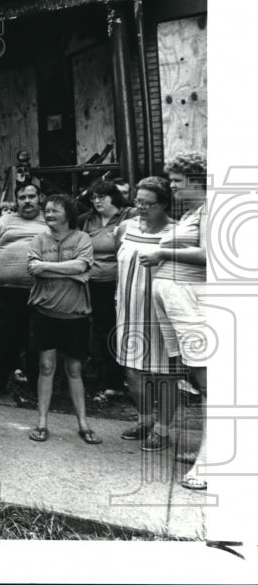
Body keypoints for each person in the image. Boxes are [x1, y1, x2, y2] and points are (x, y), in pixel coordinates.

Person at [140, 152, 209, 490]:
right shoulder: (192, 214)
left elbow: (211, 255)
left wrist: (163, 254)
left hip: (193, 304)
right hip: (175, 303)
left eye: (179, 182)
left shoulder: (213, 210)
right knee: (196, 376)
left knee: (209, 381)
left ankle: (211, 460)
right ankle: (205, 449)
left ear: (197, 180)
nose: (174, 188)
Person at [26, 195, 101, 445]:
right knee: (46, 367)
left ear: (68, 213)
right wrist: (73, 270)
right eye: (46, 211)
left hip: (76, 314)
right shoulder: (38, 239)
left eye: (54, 211)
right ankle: (42, 422)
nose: (48, 214)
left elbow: (82, 266)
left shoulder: (82, 238)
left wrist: (48, 268)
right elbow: (33, 268)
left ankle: (83, 423)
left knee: (74, 369)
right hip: (44, 313)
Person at [113, 177, 177, 451]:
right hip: (128, 308)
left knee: (164, 373)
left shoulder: (178, 232)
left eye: (147, 203)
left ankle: (162, 430)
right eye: (137, 201)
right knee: (131, 370)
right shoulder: (125, 228)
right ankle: (145, 421)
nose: (140, 207)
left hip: (161, 312)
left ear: (163, 204)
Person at [0, 183, 47, 400]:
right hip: (6, 292)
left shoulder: (50, 220)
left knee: (37, 341)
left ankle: (38, 385)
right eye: (22, 197)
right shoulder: (5, 221)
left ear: (39, 198)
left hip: (41, 292)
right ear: (16, 201)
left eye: (32, 196)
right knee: (2, 340)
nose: (27, 201)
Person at [77, 180, 133, 401]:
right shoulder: (87, 220)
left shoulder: (129, 216)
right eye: (93, 197)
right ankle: (103, 380)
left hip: (118, 282)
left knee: (112, 330)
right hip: (91, 283)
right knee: (98, 331)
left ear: (114, 197)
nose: (96, 201)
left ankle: (115, 382)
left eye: (101, 196)